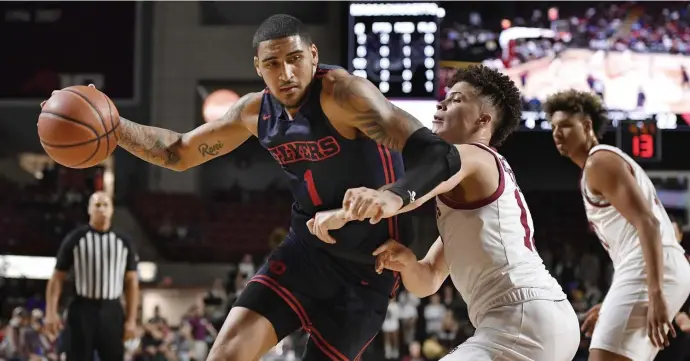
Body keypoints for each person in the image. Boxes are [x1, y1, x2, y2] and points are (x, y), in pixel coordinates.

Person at [39, 14, 462, 361]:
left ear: (314, 56)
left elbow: (439, 154)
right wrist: (112, 125)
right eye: (273, 64)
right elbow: (178, 152)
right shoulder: (254, 112)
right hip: (306, 251)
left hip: (368, 265)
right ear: (258, 68)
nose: (287, 72)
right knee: (224, 355)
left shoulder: (345, 95)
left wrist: (391, 195)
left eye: (295, 58)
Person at [308, 65, 580, 361]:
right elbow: (429, 280)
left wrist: (353, 210)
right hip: (536, 317)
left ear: (483, 119)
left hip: (521, 317)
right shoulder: (469, 199)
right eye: (445, 98)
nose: (442, 104)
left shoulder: (476, 155)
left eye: (457, 100)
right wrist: (410, 264)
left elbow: (412, 190)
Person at [544, 89, 690, 361]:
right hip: (654, 267)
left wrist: (654, 292)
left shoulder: (600, 162)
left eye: (565, 126)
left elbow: (647, 223)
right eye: (553, 127)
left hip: (653, 268)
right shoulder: (598, 164)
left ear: (587, 126)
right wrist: (613, 302)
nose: (556, 133)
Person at [44, 191, 140, 361]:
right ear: (89, 209)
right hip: (82, 308)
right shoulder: (75, 238)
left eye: (105, 205)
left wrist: (131, 320)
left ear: (112, 210)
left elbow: (132, 283)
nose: (101, 209)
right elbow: (56, 278)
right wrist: (51, 312)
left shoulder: (124, 241)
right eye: (97, 205)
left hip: (112, 309)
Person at [654, 214, 690, 361]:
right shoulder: (649, 266)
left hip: (680, 333)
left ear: (680, 236)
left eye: (672, 235)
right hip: (654, 329)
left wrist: (682, 316)